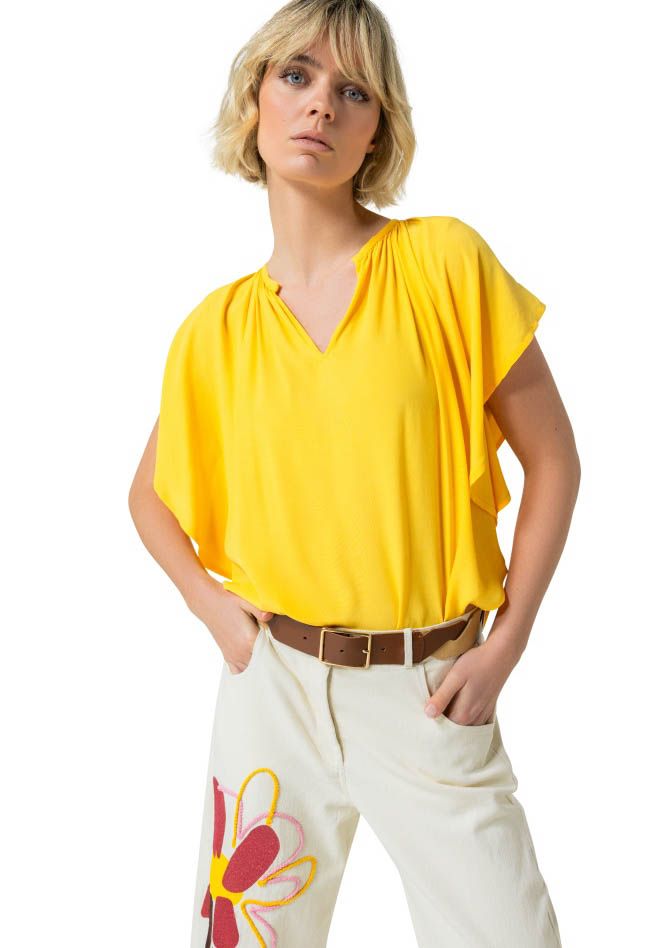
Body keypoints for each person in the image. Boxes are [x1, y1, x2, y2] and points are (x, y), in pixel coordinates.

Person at [128, 1, 579, 945]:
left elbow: (553, 459)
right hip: (272, 690)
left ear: (377, 129)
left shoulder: (441, 263)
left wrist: (506, 643)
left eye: (354, 91)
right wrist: (214, 611)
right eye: (295, 76)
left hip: (431, 688)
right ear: (254, 98)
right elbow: (148, 496)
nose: (320, 105)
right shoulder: (216, 330)